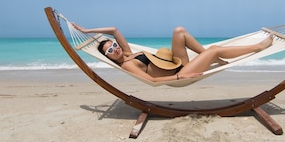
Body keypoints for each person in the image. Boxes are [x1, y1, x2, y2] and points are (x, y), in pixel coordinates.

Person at [72, 23, 273, 83]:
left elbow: (115, 30)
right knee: (214, 50)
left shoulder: (127, 53)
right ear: (107, 58)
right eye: (110, 51)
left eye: (113, 46)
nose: (115, 50)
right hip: (179, 73)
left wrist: (87, 32)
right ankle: (258, 47)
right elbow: (151, 81)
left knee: (179, 31)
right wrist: (181, 76)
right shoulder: (127, 64)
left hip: (177, 63)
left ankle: (216, 59)